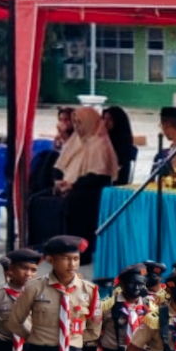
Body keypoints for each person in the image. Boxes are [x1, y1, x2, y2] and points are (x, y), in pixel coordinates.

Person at [54, 107, 119, 262]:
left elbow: (98, 176)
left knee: (76, 201)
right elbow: (60, 164)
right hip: (74, 184)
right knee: (39, 198)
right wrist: (59, 181)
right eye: (75, 122)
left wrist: (73, 185)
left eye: (80, 123)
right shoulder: (76, 140)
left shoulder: (100, 143)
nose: (77, 127)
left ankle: (80, 253)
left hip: (92, 190)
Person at [103, 106, 136, 184]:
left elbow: (119, 164)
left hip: (117, 178)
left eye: (110, 119)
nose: (105, 122)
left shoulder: (123, 141)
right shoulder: (101, 138)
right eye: (104, 119)